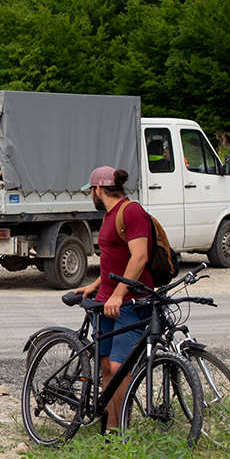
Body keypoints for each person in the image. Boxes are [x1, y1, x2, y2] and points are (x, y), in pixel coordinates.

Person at [76, 165, 154, 428]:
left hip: (129, 302)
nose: (91, 196)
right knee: (106, 366)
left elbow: (139, 257)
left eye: (91, 192)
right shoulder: (110, 215)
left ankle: (122, 427)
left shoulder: (131, 212)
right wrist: (95, 284)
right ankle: (110, 428)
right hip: (105, 301)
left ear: (98, 190)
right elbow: (114, 259)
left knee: (120, 367)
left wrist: (119, 295)